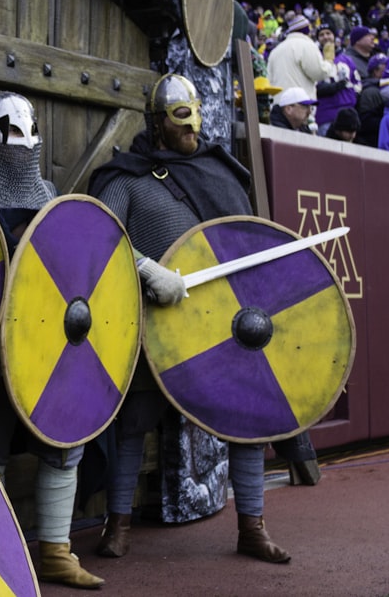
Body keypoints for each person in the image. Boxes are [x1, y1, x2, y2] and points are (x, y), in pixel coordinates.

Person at [88, 73, 291, 565]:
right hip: (157, 321)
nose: (192, 127)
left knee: (246, 416)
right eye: (180, 118)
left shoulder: (219, 172)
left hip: (222, 324)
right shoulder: (127, 177)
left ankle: (252, 526)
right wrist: (144, 266)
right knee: (135, 421)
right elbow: (98, 235)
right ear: (157, 123)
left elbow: (246, 243)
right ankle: (118, 525)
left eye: (195, 115)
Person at [0, 91, 105, 590]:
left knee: (63, 438)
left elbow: (88, 262)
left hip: (51, 345)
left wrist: (142, 269)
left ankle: (55, 551)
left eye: (30, 132)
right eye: (12, 132)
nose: (24, 144)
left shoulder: (50, 198)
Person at [266, 14, 337, 116]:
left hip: (279, 107)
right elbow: (319, 73)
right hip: (300, 108)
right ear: (307, 30)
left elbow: (269, 81)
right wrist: (329, 61)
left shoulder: (275, 51)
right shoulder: (307, 45)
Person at [356, 53, 388, 148]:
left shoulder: (386, 90)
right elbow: (365, 122)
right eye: (386, 68)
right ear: (376, 71)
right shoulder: (370, 92)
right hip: (371, 143)